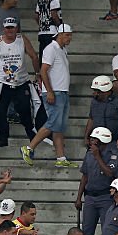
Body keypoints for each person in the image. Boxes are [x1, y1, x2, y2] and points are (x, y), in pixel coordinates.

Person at [21, 23, 79, 169]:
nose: (70, 38)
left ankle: (61, 157)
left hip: (62, 91)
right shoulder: (51, 49)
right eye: (67, 35)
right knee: (53, 122)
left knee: (58, 126)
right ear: (60, 35)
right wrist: (50, 91)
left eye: (70, 35)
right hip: (56, 91)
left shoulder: (61, 50)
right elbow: (43, 71)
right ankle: (29, 148)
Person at [0, 17, 39, 147]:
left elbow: (34, 56)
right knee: (1, 109)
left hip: (22, 81)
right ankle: (2, 137)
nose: (10, 30)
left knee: (25, 108)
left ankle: (32, 134)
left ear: (16, 28)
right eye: (8, 28)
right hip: (4, 81)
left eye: (12, 27)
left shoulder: (22, 39)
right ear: (4, 28)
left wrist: (38, 74)